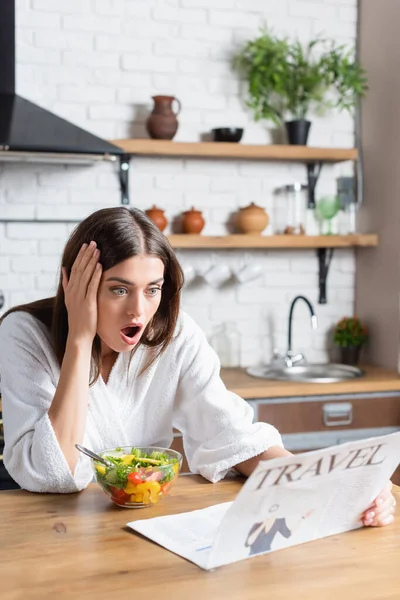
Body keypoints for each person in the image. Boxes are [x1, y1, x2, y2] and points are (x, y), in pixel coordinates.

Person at [0, 208, 395, 528]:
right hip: (52, 531)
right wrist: (80, 338)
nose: (138, 310)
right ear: (76, 286)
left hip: (143, 527)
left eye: (152, 289)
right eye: (119, 289)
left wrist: (338, 485)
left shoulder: (176, 335)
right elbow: (51, 474)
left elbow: (235, 436)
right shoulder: (23, 334)